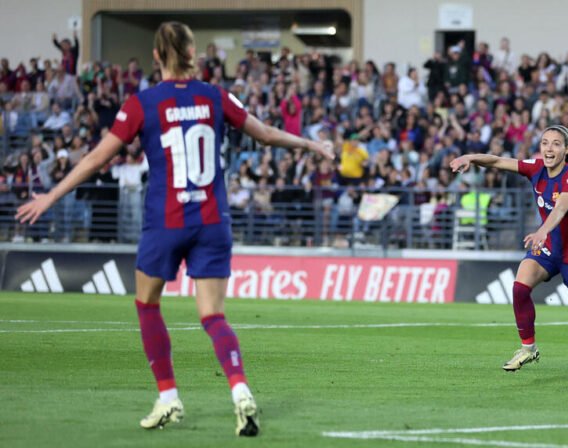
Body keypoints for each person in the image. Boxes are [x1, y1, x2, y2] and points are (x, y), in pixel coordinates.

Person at [16, 21, 334, 436]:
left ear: (155, 56)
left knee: (147, 305)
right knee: (213, 316)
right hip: (212, 221)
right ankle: (240, 391)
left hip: (166, 222)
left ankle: (168, 396)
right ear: (191, 53)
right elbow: (267, 135)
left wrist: (50, 196)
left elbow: (96, 159)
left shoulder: (143, 103)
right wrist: (312, 144)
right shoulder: (215, 96)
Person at [450, 125, 568, 388]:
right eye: (545, 143)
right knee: (520, 288)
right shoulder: (536, 168)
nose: (549, 148)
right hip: (548, 248)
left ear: (567, 149)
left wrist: (543, 230)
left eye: (556, 144)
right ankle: (528, 348)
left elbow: (562, 206)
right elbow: (498, 161)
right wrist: (471, 158)